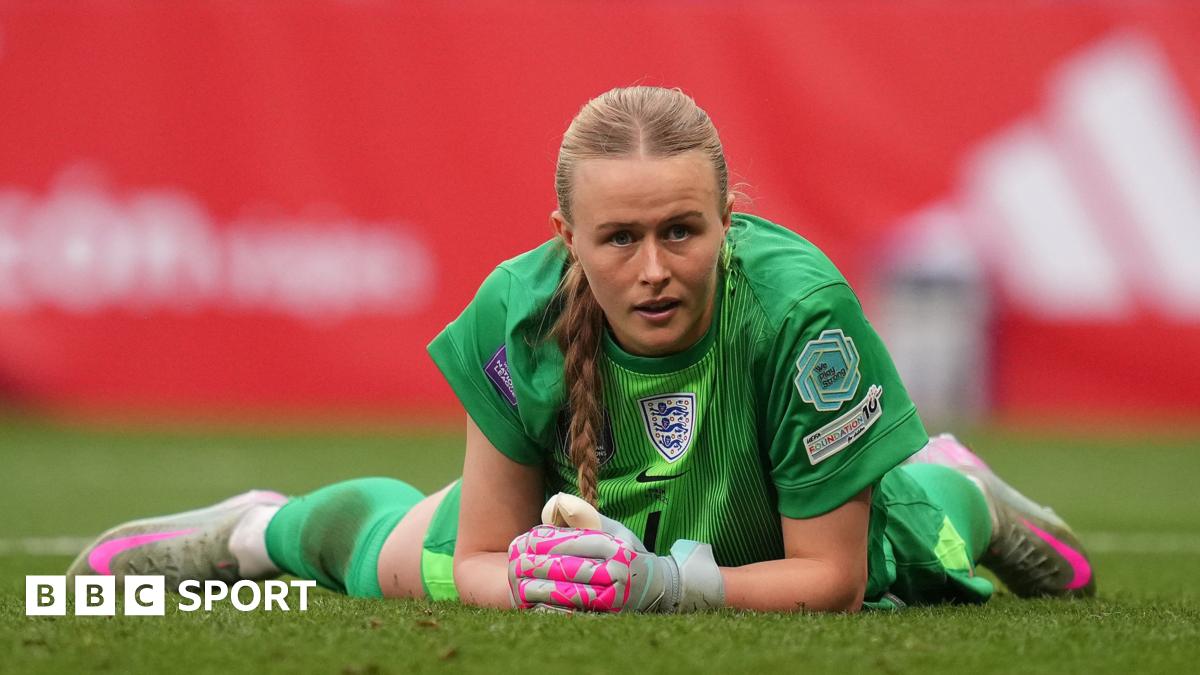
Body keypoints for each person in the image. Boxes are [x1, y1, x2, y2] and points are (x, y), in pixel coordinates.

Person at [67, 86, 1095, 613]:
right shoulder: (518, 316)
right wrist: (541, 581)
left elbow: (821, 577)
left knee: (922, 547)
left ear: (729, 220)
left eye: (682, 231)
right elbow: (476, 554)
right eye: (618, 238)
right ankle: (251, 533)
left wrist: (663, 585)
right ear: (568, 240)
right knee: (378, 556)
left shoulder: (803, 316)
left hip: (784, 542)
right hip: (603, 530)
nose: (653, 268)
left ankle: (971, 486)